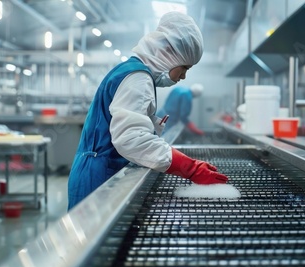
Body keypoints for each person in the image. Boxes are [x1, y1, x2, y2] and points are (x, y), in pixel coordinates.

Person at [67, 11, 228, 210]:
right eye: (184, 68)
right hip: (99, 176)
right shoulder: (138, 78)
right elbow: (131, 139)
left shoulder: (134, 72)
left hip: (100, 169)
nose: (184, 76)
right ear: (169, 54)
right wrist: (190, 168)